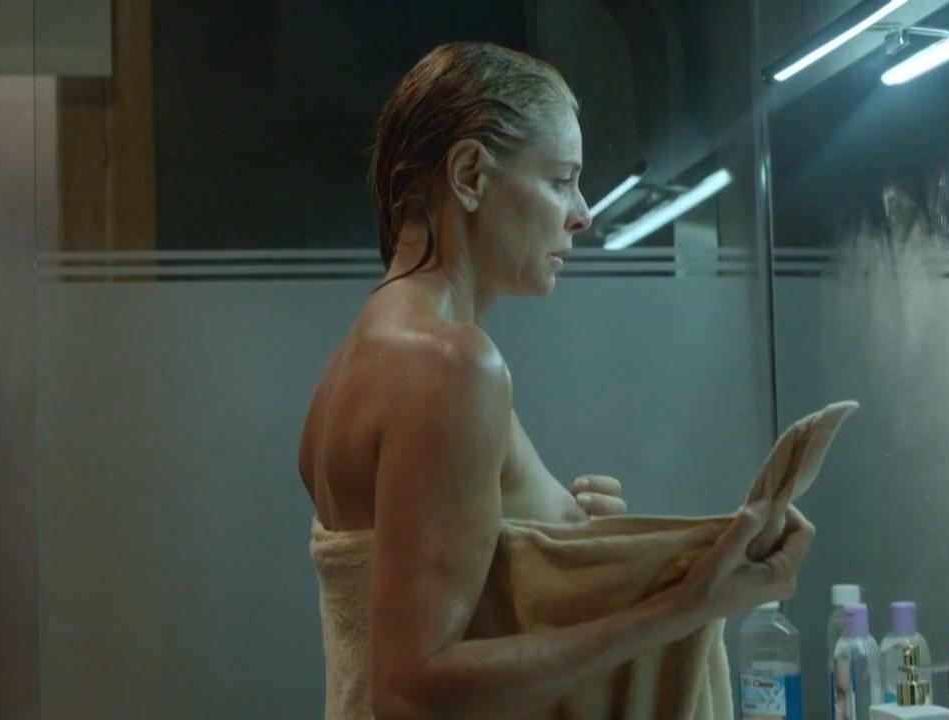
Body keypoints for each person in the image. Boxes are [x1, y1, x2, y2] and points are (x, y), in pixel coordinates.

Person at [298, 41, 816, 720]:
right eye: (562, 179)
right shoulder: (451, 365)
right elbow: (411, 689)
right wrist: (685, 605)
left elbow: (422, 592)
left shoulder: (353, 363)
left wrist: (564, 551)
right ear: (470, 175)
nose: (583, 213)